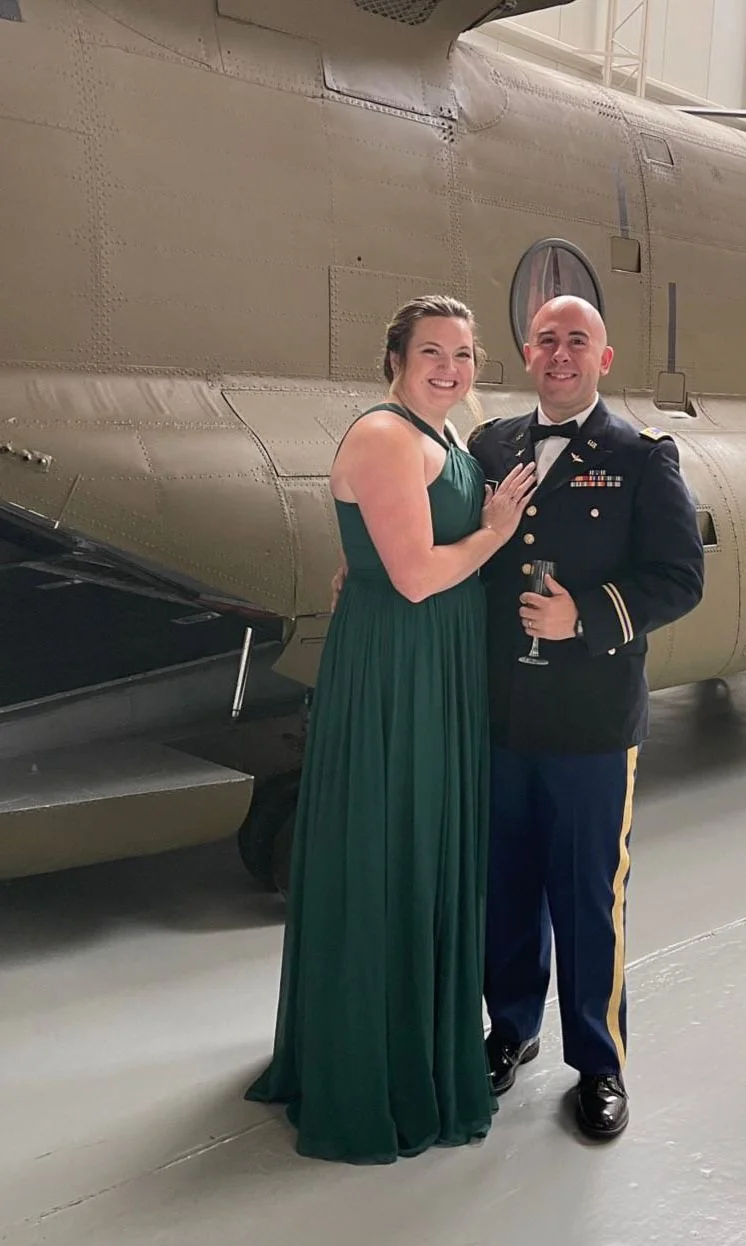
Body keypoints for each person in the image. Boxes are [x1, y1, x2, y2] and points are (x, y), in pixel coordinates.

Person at [246, 295, 536, 1164]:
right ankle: (370, 1067)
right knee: (388, 847)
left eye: (464, 354)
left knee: (421, 845)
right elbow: (413, 579)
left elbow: (379, 554)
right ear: (397, 359)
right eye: (432, 352)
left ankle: (408, 1043)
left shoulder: (445, 439)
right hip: (397, 667)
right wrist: (493, 533)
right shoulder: (383, 435)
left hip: (436, 665)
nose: (451, 368)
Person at [467, 295, 704, 1141]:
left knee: (588, 896)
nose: (560, 354)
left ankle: (600, 1065)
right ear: (526, 354)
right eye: (547, 341)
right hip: (499, 717)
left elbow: (680, 578)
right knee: (506, 884)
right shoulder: (489, 446)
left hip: (592, 721)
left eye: (578, 342)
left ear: (604, 360)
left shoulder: (640, 458)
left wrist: (588, 618)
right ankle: (512, 1028)